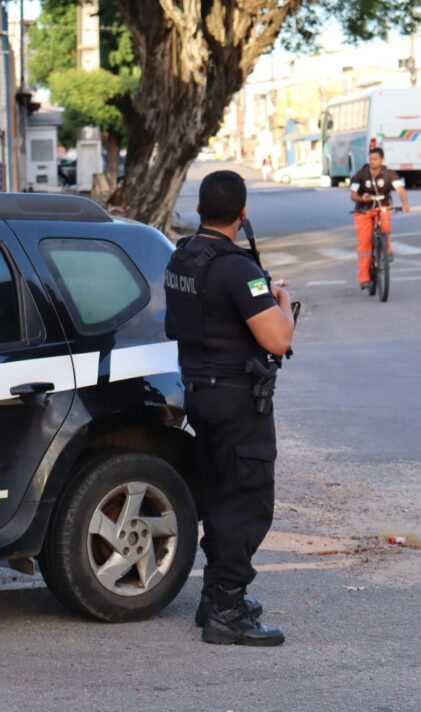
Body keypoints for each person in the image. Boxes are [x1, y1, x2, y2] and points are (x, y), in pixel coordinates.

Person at [164, 170, 295, 646]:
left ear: (199, 211)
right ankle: (227, 612)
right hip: (238, 400)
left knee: (221, 494)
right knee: (249, 501)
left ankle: (214, 598)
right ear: (242, 215)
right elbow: (277, 338)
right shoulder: (238, 268)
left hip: (200, 393)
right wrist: (279, 298)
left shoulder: (184, 256)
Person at [350, 147, 410, 291]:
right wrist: (361, 198)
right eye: (370, 159)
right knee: (364, 244)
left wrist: (405, 203)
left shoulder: (389, 174)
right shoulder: (361, 174)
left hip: (382, 207)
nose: (372, 161)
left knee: (385, 224)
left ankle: (387, 250)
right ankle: (364, 279)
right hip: (364, 210)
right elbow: (353, 195)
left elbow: (400, 189)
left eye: (375, 159)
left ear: (381, 160)